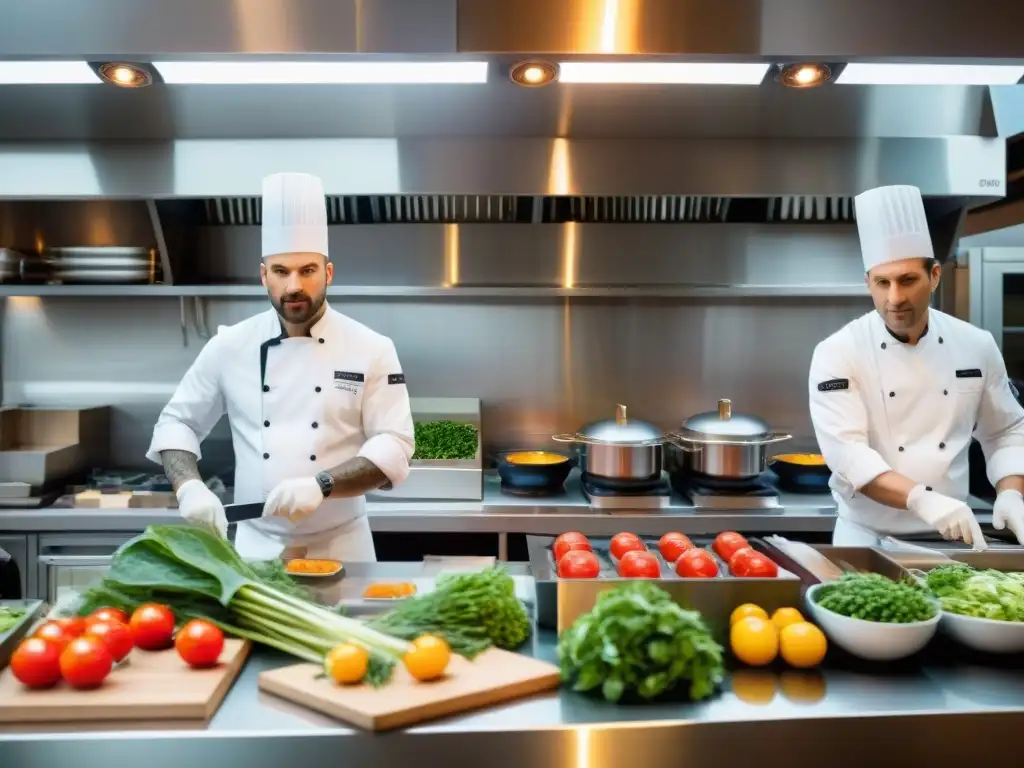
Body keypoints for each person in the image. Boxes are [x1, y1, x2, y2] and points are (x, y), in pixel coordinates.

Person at [146, 172, 415, 562]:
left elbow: (395, 443)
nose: (294, 286)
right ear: (263, 275)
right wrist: (189, 487)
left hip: (344, 544)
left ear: (328, 273)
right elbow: (177, 423)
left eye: (307, 270)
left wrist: (322, 484)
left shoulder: (371, 347)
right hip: (257, 546)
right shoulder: (229, 346)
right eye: (280, 271)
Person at [807, 184, 1024, 549]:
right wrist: (923, 499)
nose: (895, 298)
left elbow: (1005, 429)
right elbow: (849, 455)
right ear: (868, 283)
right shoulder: (838, 352)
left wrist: (1011, 492)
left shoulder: (976, 345)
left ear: (935, 275)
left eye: (907, 280)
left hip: (951, 535)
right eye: (882, 283)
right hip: (865, 539)